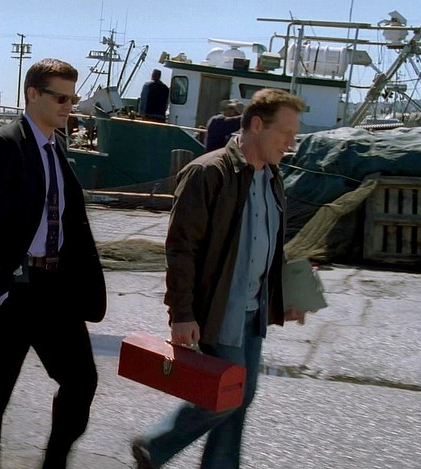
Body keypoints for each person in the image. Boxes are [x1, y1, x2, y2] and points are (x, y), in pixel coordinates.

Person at [130, 88, 309, 469]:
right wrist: (181, 314)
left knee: (240, 397)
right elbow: (181, 248)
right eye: (285, 133)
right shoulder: (208, 172)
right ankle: (154, 444)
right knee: (230, 395)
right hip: (218, 310)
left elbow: (271, 246)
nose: (290, 144)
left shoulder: (272, 177)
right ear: (257, 125)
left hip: (254, 311)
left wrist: (287, 297)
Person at [0, 58, 107, 469]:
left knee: (81, 381)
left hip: (57, 290)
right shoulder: (3, 144)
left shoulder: (56, 147)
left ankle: (55, 462)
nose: (69, 106)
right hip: (15, 290)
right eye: (60, 98)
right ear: (33, 94)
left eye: (72, 98)